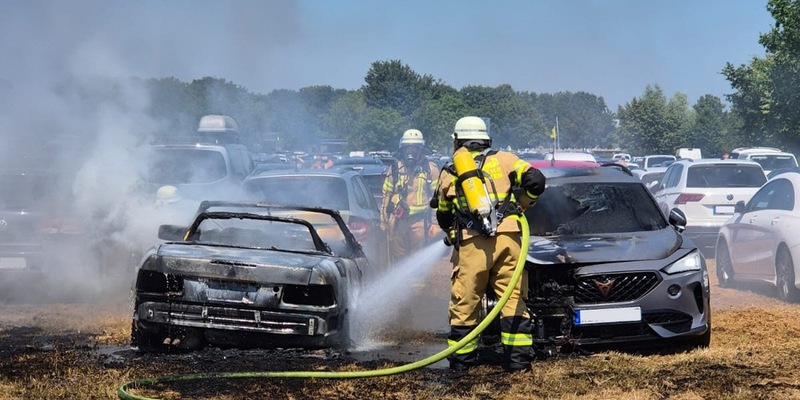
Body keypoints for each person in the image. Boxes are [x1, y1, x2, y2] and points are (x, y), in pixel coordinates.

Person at [433, 116, 546, 372]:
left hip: (472, 244)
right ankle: (518, 363)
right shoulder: (506, 160)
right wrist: (523, 203)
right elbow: (537, 181)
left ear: (458, 141)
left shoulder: (451, 170)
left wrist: (452, 229)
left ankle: (462, 366)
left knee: (465, 303)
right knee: (513, 300)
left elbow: (443, 214)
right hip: (509, 241)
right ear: (486, 139)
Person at [380, 129, 440, 264]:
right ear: (403, 149)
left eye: (415, 148)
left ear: (421, 150)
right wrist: (384, 222)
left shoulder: (430, 169)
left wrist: (435, 224)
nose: (411, 152)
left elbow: (438, 200)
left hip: (420, 223)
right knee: (398, 258)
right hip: (397, 221)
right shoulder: (395, 169)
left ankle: (418, 279)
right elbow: (386, 197)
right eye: (408, 148)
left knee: (418, 259)